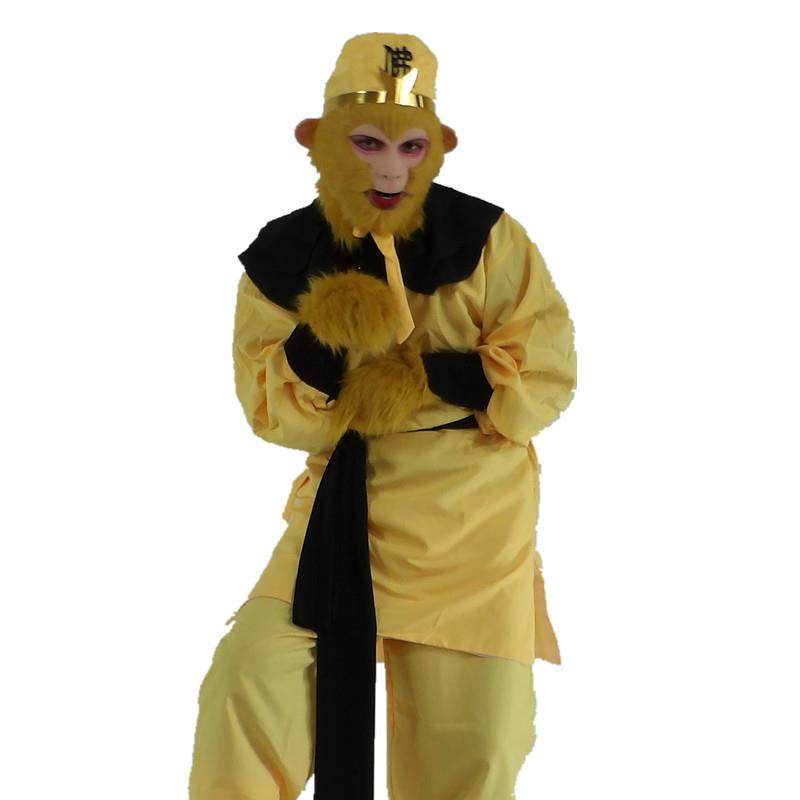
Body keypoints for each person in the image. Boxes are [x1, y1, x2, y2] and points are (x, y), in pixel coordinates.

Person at [188, 31, 577, 800]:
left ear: (438, 148)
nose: (390, 170)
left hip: (472, 518)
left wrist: (420, 377)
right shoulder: (283, 255)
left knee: (474, 743)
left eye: (410, 146)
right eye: (367, 142)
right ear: (321, 140)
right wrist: (323, 340)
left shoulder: (490, 239)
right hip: (345, 505)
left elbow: (544, 375)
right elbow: (274, 415)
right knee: (247, 682)